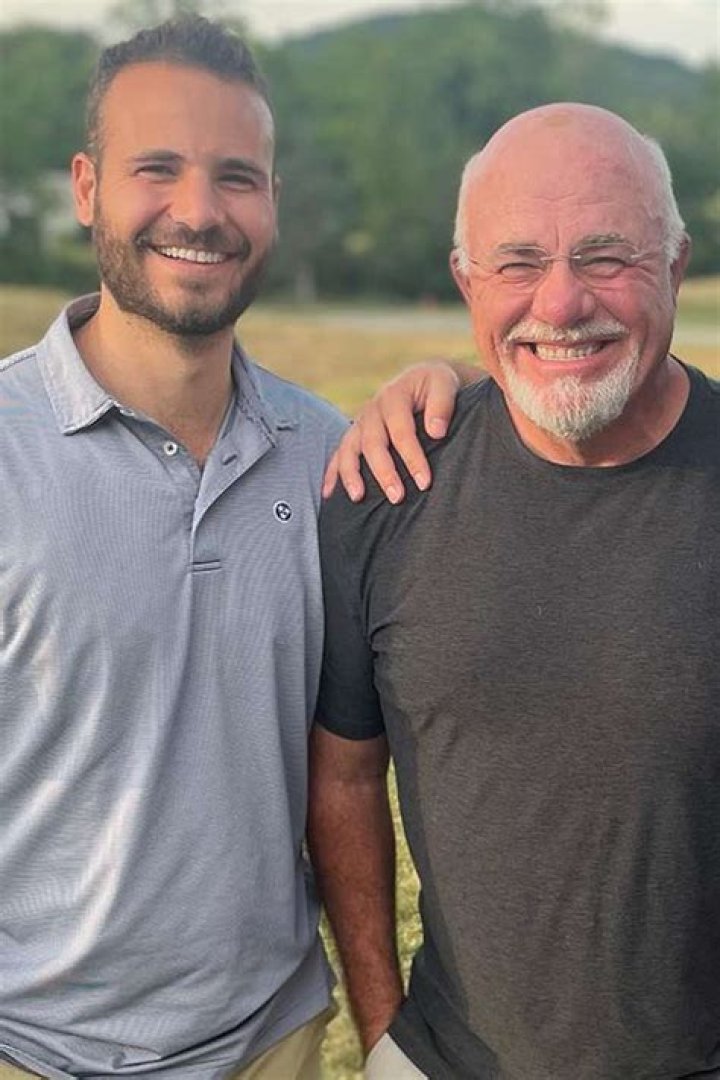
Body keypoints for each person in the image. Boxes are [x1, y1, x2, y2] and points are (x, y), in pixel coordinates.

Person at [0, 15, 455, 1080]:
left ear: (273, 203)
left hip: (270, 1046)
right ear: (86, 187)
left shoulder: (334, 459)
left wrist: (464, 384)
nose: (199, 212)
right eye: (156, 168)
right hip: (29, 1048)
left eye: (236, 177)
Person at [310, 103, 720, 1080]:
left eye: (606, 255)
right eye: (518, 262)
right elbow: (345, 779)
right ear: (467, 282)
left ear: (675, 266)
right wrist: (384, 1030)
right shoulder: (386, 490)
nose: (562, 302)